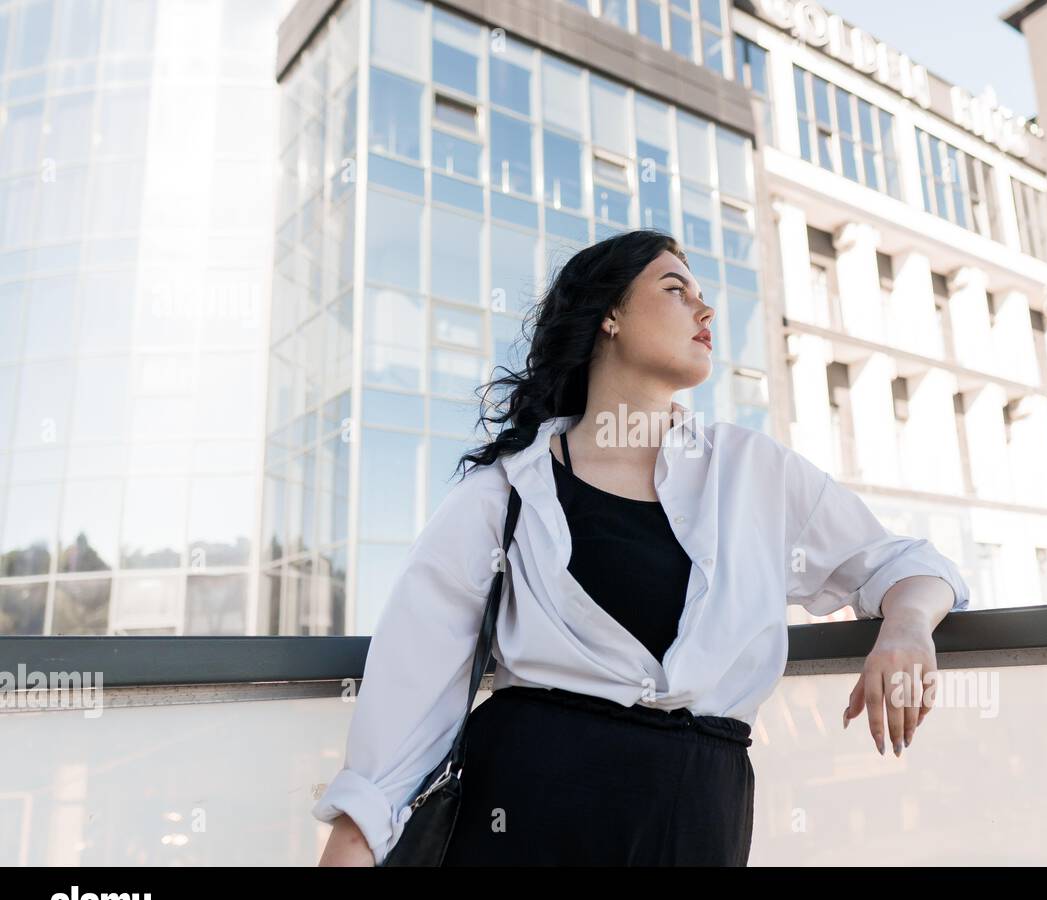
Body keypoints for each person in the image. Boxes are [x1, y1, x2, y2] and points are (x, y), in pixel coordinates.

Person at [314, 229, 970, 866]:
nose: (706, 308)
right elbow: (415, 680)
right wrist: (353, 840)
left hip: (696, 818)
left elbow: (902, 564)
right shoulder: (502, 493)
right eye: (675, 288)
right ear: (610, 316)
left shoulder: (752, 473)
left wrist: (906, 627)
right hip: (523, 816)